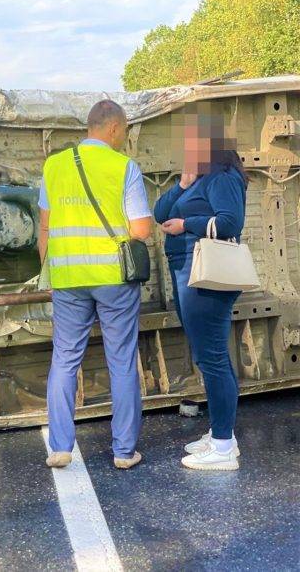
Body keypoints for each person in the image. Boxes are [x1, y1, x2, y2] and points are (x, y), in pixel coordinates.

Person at [38, 100, 153, 470]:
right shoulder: (123, 168)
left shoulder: (53, 166)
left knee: (65, 359)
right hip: (114, 279)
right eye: (125, 132)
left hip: (68, 279)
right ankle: (123, 452)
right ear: (115, 129)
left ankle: (59, 447)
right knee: (120, 360)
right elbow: (141, 230)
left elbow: (44, 228)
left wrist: (51, 275)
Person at [154, 105, 248, 471]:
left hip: (205, 274)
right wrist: (182, 182)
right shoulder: (197, 177)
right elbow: (161, 212)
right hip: (186, 271)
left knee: (212, 357)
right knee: (208, 355)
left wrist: (186, 224)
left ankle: (223, 447)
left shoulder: (223, 175)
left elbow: (229, 222)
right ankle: (221, 434)